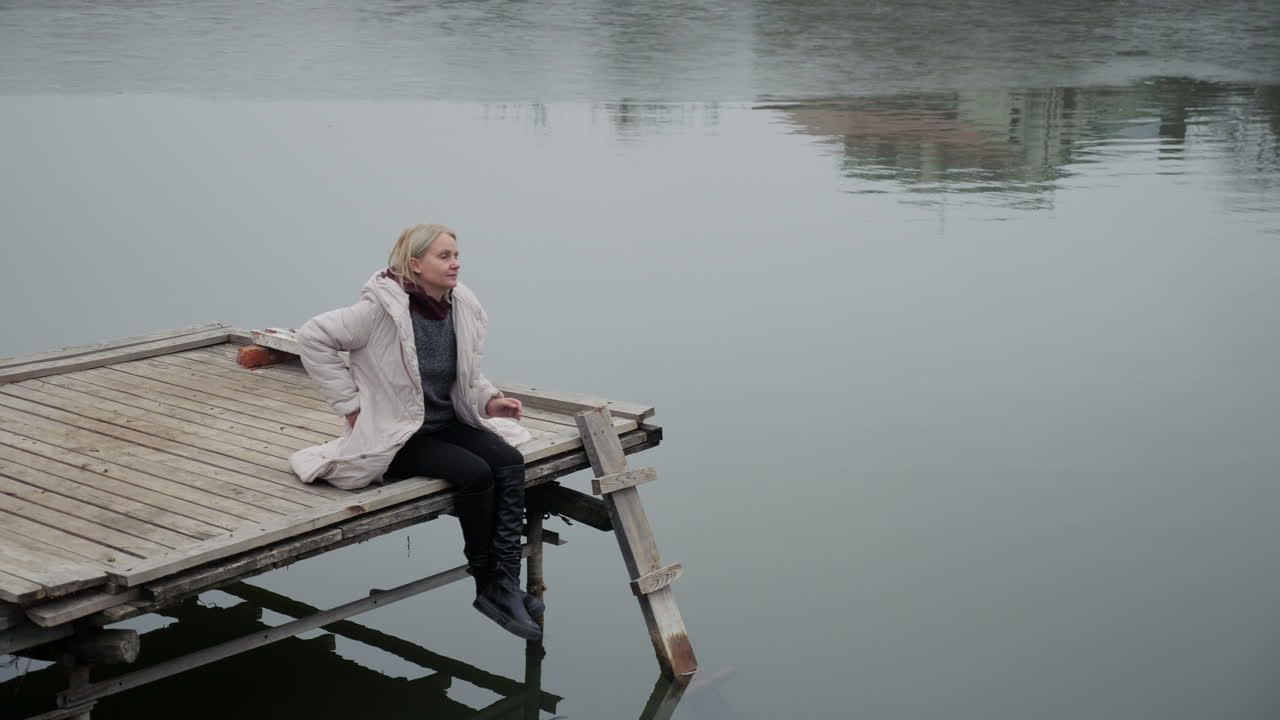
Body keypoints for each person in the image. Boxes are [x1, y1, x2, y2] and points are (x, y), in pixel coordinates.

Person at [288, 223, 542, 641]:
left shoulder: (461, 306)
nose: (455, 263)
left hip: (446, 422)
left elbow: (465, 375)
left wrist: (491, 401)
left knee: (509, 462)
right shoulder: (378, 312)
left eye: (456, 255)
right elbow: (313, 337)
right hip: (399, 435)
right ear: (415, 264)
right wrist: (350, 407)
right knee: (474, 474)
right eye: (444, 256)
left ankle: (506, 582)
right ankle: (485, 582)